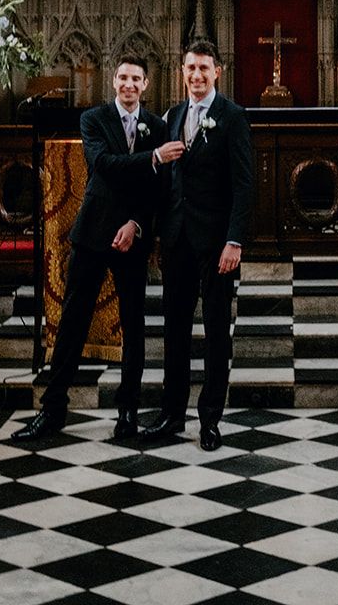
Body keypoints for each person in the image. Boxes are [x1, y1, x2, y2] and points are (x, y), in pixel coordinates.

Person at [11, 58, 167, 445]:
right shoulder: (94, 120)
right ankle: (52, 410)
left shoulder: (158, 127)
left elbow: (156, 190)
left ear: (145, 84)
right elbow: (102, 165)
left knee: (134, 327)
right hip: (94, 232)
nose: (128, 85)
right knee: (72, 322)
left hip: (132, 236)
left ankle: (127, 411)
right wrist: (151, 158)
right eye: (123, 78)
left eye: (136, 79)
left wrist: (135, 224)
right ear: (113, 80)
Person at [140, 39, 253, 451]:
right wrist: (156, 232)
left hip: (216, 243)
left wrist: (234, 241)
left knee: (216, 332)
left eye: (204, 68)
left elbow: (243, 185)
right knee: (175, 330)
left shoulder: (232, 117)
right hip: (176, 239)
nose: (197, 76)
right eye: (190, 68)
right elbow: (167, 183)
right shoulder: (172, 116)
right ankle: (172, 414)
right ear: (182, 71)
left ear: (217, 72)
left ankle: (209, 419)